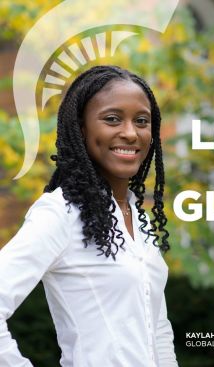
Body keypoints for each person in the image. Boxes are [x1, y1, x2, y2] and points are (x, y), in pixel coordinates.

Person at [0, 65, 178, 367]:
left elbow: (157, 329)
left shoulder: (137, 216)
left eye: (141, 121)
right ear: (81, 128)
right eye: (112, 119)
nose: (130, 133)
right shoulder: (60, 213)